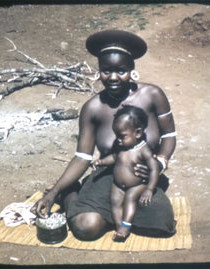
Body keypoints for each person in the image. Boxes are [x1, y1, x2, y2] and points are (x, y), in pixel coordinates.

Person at [32, 29, 177, 241]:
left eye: (121, 71)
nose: (114, 77)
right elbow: (83, 157)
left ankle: (111, 215)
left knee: (162, 224)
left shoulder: (152, 95)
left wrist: (160, 163)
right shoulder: (92, 108)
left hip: (143, 179)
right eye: (106, 71)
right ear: (98, 71)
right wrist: (52, 194)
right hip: (109, 176)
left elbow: (170, 135)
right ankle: (70, 195)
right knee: (86, 228)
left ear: (132, 70)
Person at [92, 105, 160, 241]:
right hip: (117, 185)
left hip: (137, 185)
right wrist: (101, 162)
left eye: (122, 136)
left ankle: (126, 225)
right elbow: (114, 157)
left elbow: (154, 169)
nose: (118, 139)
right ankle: (119, 226)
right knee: (115, 201)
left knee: (130, 200)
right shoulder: (120, 145)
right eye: (116, 135)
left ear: (138, 133)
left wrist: (149, 189)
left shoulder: (143, 150)